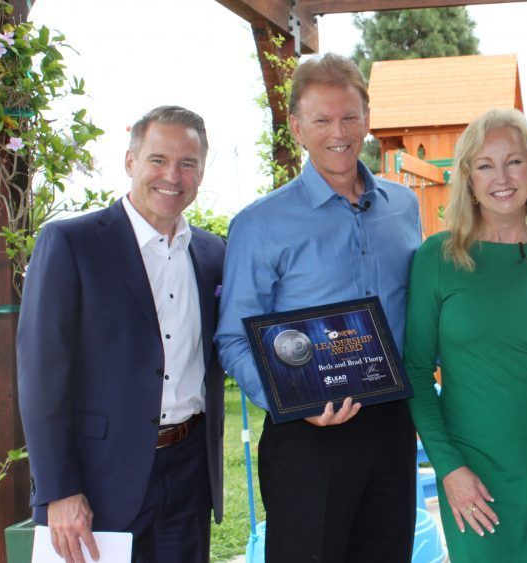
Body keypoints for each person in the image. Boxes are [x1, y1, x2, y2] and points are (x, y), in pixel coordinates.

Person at [216, 53, 422, 562]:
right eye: (322, 119)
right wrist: (296, 403)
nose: (339, 131)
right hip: (309, 436)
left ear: (367, 120)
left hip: (393, 425)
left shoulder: (404, 206)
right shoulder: (260, 224)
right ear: (296, 128)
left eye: (350, 116)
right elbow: (232, 338)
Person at [17, 106, 225, 563]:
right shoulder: (71, 244)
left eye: (187, 163)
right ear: (131, 162)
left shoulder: (213, 253)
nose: (172, 175)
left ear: (201, 172)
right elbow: (40, 378)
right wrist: (59, 489)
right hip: (98, 481)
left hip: (190, 475)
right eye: (157, 159)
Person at [404, 108, 527, 562]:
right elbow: (416, 373)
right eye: (485, 164)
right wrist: (448, 468)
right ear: (468, 178)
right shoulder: (438, 257)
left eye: (514, 161)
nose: (502, 176)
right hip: (471, 472)